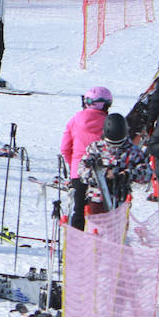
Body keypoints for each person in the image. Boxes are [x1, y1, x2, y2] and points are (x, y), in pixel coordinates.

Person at [77, 113, 152, 216]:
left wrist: (127, 174)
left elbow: (147, 174)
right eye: (111, 144)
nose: (114, 148)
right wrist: (103, 175)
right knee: (97, 228)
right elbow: (81, 171)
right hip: (97, 199)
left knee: (117, 230)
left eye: (118, 144)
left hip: (121, 199)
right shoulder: (96, 148)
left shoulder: (133, 151)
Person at [61, 86, 113, 230]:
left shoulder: (75, 119)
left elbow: (65, 147)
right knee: (100, 209)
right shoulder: (109, 122)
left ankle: (75, 244)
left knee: (78, 208)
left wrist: (73, 165)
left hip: (78, 170)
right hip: (101, 173)